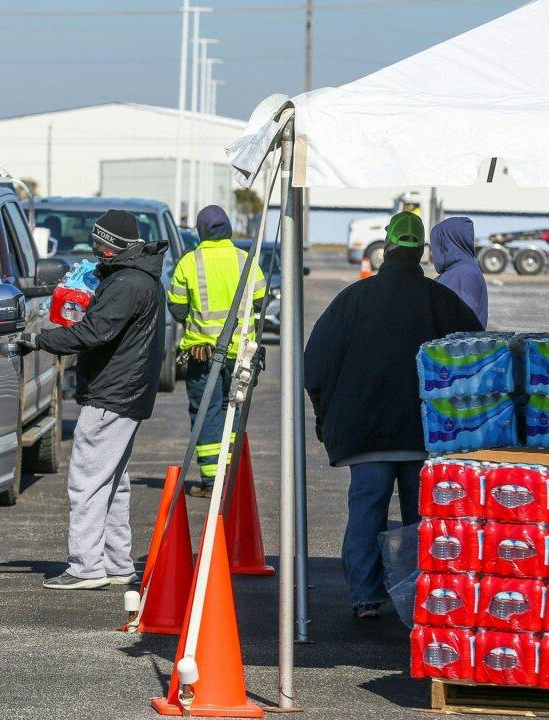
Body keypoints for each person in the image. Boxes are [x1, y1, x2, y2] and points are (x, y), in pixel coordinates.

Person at [304, 211, 482, 619]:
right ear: (421, 251)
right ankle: (425, 601)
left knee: (367, 513)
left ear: (386, 248)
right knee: (423, 521)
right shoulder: (444, 302)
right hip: (426, 438)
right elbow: (477, 360)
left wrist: (326, 417)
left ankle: (366, 597)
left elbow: (314, 365)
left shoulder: (352, 299)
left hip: (366, 437)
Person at [17, 209, 167, 590]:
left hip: (111, 394)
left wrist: (39, 340)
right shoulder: (137, 278)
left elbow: (93, 333)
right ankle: (117, 563)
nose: (95, 249)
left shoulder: (126, 284)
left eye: (100, 243)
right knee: (113, 482)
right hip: (127, 394)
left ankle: (85, 567)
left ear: (115, 245)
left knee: (87, 482)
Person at [167, 205, 266, 499]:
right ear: (228, 230)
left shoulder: (189, 262)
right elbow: (261, 300)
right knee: (232, 413)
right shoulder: (245, 260)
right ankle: (230, 478)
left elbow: (177, 307)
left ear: (200, 230)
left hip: (203, 354)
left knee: (206, 414)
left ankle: (212, 480)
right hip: (241, 357)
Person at [430, 216, 488, 328]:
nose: (433, 253)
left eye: (436, 246)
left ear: (446, 245)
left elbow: (458, 322)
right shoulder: (461, 270)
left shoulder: (463, 275)